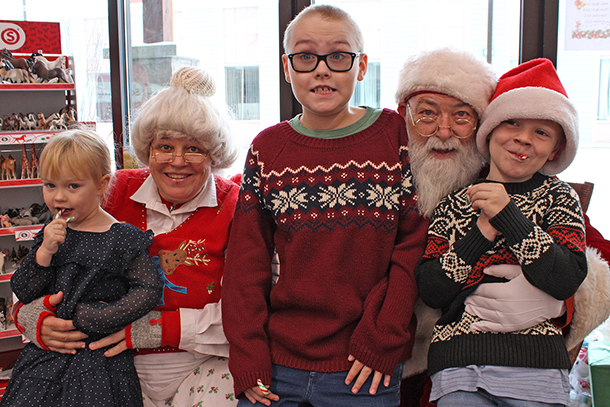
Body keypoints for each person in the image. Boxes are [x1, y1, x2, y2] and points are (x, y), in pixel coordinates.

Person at [221, 4, 428, 407]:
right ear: (287, 68)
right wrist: (247, 359)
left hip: (365, 365)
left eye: (338, 55)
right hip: (276, 367)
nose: (321, 69)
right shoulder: (268, 148)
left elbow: (413, 248)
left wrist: (383, 339)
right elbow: (246, 262)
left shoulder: (395, 136)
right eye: (305, 56)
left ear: (361, 66)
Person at [394, 48, 610, 407]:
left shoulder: (548, 193)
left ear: (479, 123)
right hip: (431, 365)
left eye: (461, 115)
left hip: (532, 362)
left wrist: (560, 306)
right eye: (427, 113)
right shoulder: (385, 176)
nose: (443, 130)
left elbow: (586, 265)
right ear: (405, 117)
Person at [13, 67, 241, 406]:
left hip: (200, 364)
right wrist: (29, 317)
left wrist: (162, 329)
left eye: (194, 148)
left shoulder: (236, 206)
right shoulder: (106, 191)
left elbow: (252, 311)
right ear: (148, 149)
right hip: (104, 366)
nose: (177, 161)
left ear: (215, 153)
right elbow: (47, 264)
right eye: (164, 146)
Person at [1, 130, 163, 407]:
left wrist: (103, 316)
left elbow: (148, 288)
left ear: (102, 184)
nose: (59, 197)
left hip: (100, 359)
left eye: (73, 186)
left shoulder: (123, 237)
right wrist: (43, 253)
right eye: (50, 185)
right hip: (46, 355)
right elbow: (23, 289)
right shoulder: (50, 233)